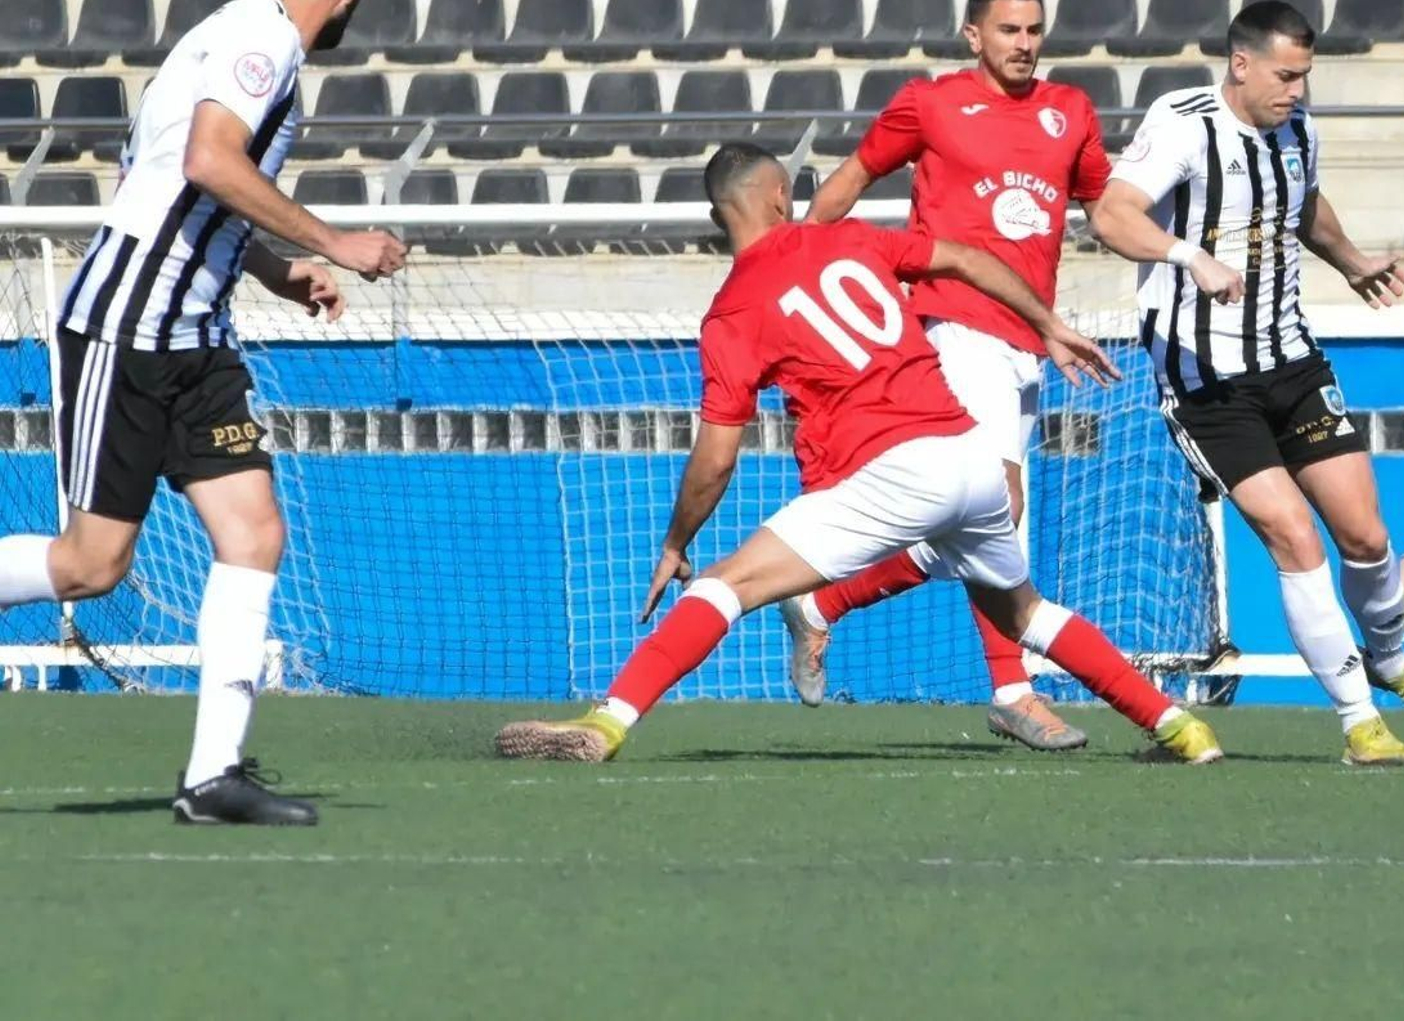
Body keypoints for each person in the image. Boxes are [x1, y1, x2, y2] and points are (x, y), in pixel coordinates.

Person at [494, 143, 1222, 767]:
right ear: (781, 196)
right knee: (1026, 612)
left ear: (722, 216)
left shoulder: (733, 311)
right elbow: (966, 259)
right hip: (972, 456)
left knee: (724, 584)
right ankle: (1182, 729)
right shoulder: (849, 240)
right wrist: (1048, 325)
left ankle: (607, 722)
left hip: (898, 470)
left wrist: (675, 543)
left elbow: (716, 458)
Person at [0, 0, 407, 823]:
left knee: (254, 533)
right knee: (90, 565)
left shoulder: (243, 40)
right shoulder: (256, 48)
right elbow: (210, 160)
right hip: (129, 328)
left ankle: (211, 776)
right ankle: (209, 775)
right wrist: (335, 241)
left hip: (196, 335)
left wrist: (275, 268)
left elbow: (185, 187)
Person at [777, 0, 1194, 752]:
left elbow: (1109, 210)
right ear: (974, 35)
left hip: (1025, 345)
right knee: (997, 508)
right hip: (948, 324)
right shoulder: (929, 103)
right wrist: (789, 258)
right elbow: (853, 179)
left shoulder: (1069, 112)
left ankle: (823, 603)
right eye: (1009, 30)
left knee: (977, 526)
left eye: (1035, 30)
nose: (1025, 44)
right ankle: (1013, 689)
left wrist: (1188, 252)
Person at [1091, 0, 1404, 765]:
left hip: (1292, 360)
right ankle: (1360, 722)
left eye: (1305, 77)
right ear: (1241, 64)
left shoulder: (1298, 129)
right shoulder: (1183, 122)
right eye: (1285, 75)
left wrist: (1352, 263)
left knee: (1366, 533)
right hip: (1206, 380)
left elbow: (1302, 203)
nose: (1297, 91)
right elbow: (1111, 216)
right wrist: (1191, 258)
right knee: (1293, 534)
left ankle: (1390, 663)